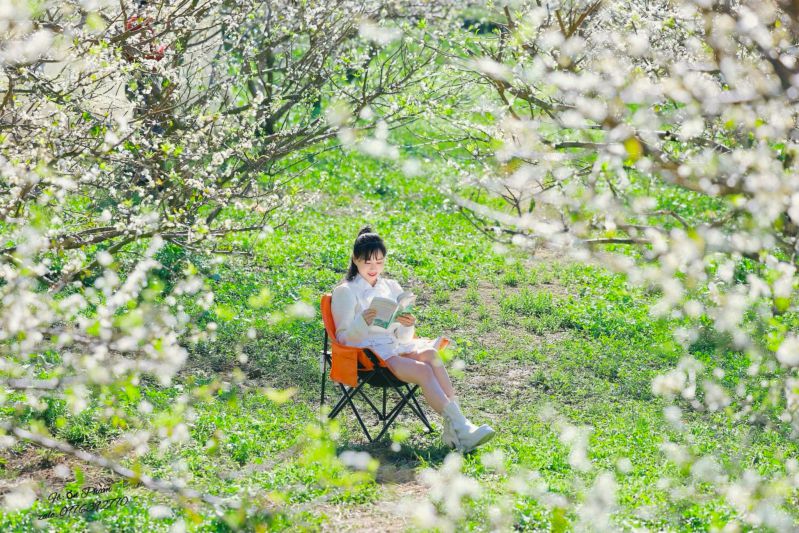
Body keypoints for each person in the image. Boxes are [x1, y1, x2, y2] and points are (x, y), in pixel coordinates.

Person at [330, 225, 496, 453]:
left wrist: (407, 325)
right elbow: (343, 339)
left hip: (395, 347)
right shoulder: (345, 291)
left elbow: (401, 334)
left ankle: (459, 427)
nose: (374, 268)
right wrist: (361, 323)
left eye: (379, 262)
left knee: (431, 355)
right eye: (368, 262)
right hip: (369, 357)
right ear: (356, 259)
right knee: (423, 371)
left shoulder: (391, 287)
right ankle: (461, 429)